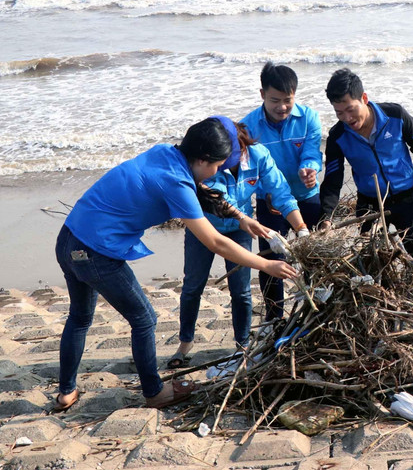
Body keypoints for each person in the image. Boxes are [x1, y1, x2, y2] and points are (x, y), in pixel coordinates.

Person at [54, 118, 298, 411]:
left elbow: (200, 192)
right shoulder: (176, 182)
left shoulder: (165, 154)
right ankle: (154, 392)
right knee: (144, 319)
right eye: (217, 165)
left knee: (80, 317)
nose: (218, 171)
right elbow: (216, 242)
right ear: (202, 158)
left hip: (69, 239)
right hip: (96, 252)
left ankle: (66, 392)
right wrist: (265, 265)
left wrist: (242, 218)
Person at [169, 116, 308, 367]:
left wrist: (301, 228)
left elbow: (281, 193)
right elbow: (213, 199)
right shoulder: (206, 161)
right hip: (204, 227)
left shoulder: (259, 156)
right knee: (192, 286)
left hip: (241, 230)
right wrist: (243, 218)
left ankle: (242, 346)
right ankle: (185, 343)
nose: (223, 163)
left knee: (241, 290)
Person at [320, 68, 413, 261]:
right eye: (339, 113)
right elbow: (332, 180)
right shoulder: (337, 137)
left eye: (350, 109)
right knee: (371, 265)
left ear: (364, 98)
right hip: (369, 205)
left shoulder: (396, 115)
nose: (347, 118)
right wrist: (326, 218)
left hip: (407, 198)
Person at [241, 62, 322, 322]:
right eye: (275, 100)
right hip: (271, 202)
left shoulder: (309, 117)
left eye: (287, 100)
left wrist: (309, 168)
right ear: (262, 94)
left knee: (315, 256)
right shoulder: (248, 126)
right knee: (271, 261)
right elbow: (248, 169)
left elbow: (312, 151)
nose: (282, 107)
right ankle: (274, 317)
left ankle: (317, 309)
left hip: (307, 197)